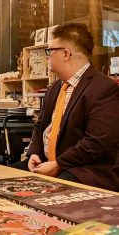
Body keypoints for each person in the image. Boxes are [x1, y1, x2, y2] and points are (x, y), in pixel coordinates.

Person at [10, 23, 119, 191]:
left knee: (51, 189)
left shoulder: (103, 88)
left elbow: (97, 142)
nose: (47, 57)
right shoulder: (55, 87)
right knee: (4, 177)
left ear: (66, 54)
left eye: (50, 51)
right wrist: (35, 153)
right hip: (49, 163)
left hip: (83, 170)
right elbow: (40, 125)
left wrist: (59, 164)